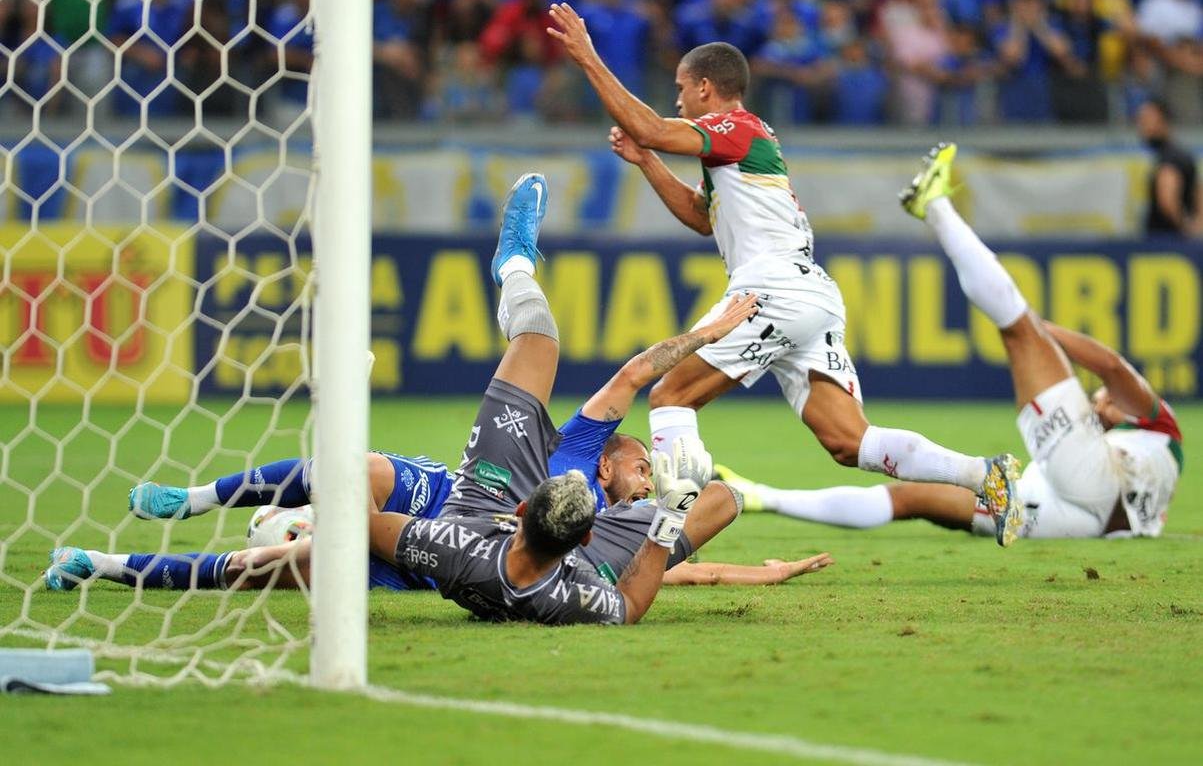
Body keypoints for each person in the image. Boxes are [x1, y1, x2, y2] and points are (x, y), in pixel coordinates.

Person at [46, 175, 831, 599]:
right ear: (601, 466)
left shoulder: (614, 537)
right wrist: (710, 332)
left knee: (315, 560)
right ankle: (515, 263)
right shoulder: (581, 463)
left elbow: (672, 561)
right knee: (518, 356)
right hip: (483, 508)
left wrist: (752, 565)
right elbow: (633, 382)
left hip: (460, 555)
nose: (646, 477)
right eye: (638, 467)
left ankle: (115, 565)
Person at [545, 3, 1021, 536]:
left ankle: (667, 528)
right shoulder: (736, 149)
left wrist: (588, 58)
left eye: (681, 88)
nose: (677, 100)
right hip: (808, 293)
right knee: (850, 443)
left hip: (772, 288)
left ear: (705, 88)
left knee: (669, 395)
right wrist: (647, 162)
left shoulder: (735, 127)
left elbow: (652, 126)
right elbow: (704, 219)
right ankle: (984, 474)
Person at [717, 143, 1181, 544]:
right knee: (912, 496)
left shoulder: (1160, 426)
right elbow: (1110, 382)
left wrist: (1037, 328)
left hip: (1091, 489)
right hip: (1081, 521)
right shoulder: (1147, 440)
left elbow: (1112, 368)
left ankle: (935, 204)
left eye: (1102, 402)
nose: (1099, 404)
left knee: (1017, 326)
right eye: (1097, 400)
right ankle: (760, 496)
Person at [1137, 98, 1201, 237]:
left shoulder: (1169, 158)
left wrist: (1187, 229)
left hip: (1165, 242)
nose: (1141, 125)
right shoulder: (1179, 155)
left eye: (1147, 119)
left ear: (1163, 120)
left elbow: (1167, 200)